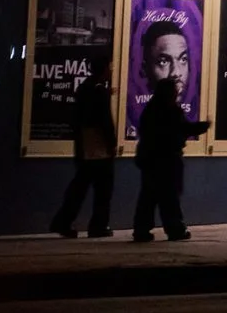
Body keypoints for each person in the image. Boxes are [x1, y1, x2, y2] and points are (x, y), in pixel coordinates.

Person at [131, 75, 208, 242]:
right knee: (169, 196)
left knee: (148, 196)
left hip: (150, 159)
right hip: (167, 159)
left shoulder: (150, 109)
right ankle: (175, 229)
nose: (177, 92)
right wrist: (203, 126)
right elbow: (184, 128)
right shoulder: (172, 110)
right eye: (175, 90)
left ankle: (141, 229)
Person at [48, 59, 117, 238]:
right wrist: (112, 143)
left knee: (80, 185)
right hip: (98, 146)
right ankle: (98, 225)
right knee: (103, 189)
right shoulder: (99, 90)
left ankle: (63, 221)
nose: (111, 71)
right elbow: (105, 120)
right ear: (103, 70)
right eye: (109, 67)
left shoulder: (85, 88)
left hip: (84, 144)